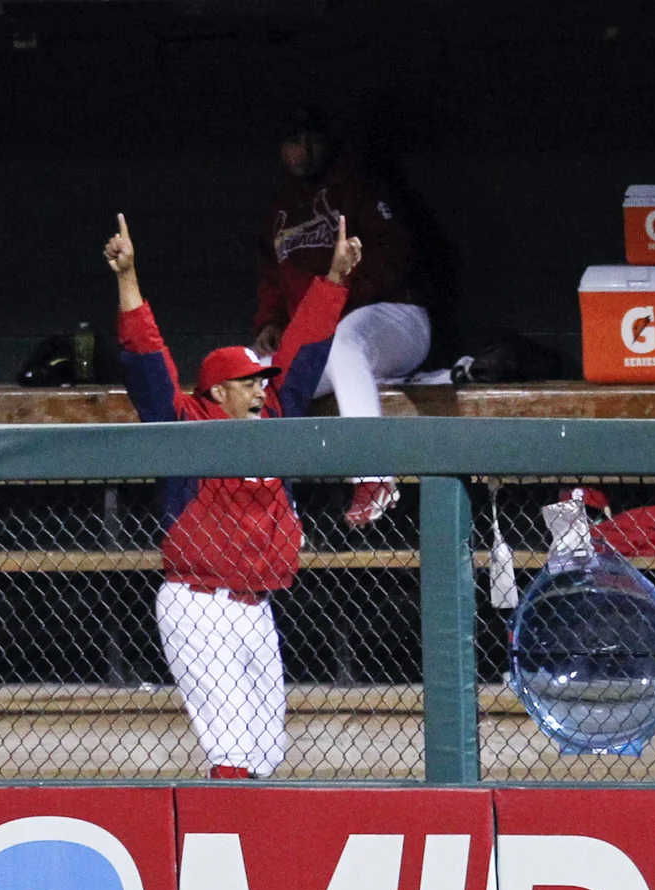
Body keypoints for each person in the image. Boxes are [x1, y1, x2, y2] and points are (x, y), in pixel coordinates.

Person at [107, 211, 361, 778]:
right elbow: (147, 358)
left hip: (256, 607)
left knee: (266, 756)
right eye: (248, 382)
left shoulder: (272, 417)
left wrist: (336, 278)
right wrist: (128, 277)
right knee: (233, 755)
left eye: (260, 380)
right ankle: (221, 847)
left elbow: (305, 349)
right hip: (198, 606)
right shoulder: (183, 423)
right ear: (217, 390)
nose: (260, 389)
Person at [252, 108, 428, 527]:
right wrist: (270, 322)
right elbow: (272, 278)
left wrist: (333, 304)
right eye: (294, 142)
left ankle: (374, 476)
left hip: (396, 319)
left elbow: (397, 258)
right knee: (256, 375)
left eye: (312, 139)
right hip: (322, 337)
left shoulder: (360, 187)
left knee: (346, 341)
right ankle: (267, 498)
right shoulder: (279, 209)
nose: (304, 151)